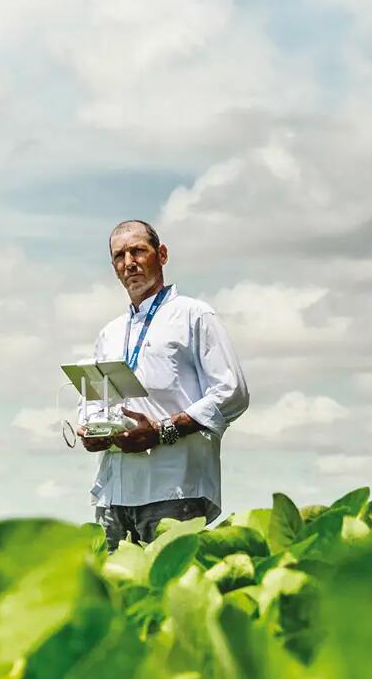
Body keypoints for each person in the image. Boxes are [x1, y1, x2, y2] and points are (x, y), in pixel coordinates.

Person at [71, 219, 250, 548]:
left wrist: (162, 430)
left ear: (162, 254)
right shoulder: (110, 333)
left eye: (138, 251)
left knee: (174, 579)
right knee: (112, 581)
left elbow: (232, 392)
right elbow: (95, 400)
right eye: (119, 256)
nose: (129, 262)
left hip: (173, 489)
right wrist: (91, 430)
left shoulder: (194, 315)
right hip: (113, 494)